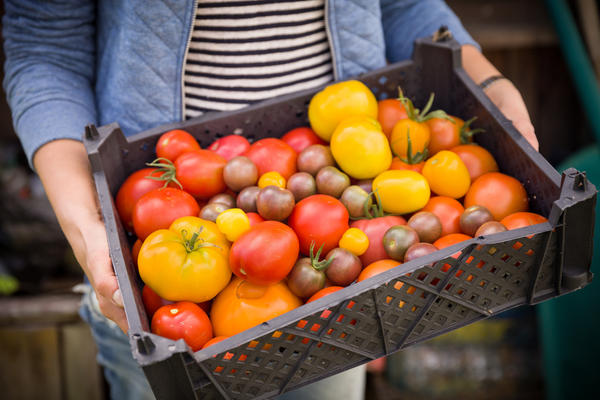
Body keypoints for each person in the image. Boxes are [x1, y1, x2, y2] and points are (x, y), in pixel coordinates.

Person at [2, 1, 538, 399]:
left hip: (336, 236)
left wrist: (489, 83)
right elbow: (45, 48)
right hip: (159, 213)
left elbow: (406, 8)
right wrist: (88, 227)